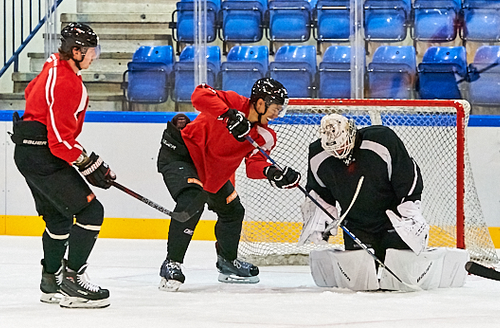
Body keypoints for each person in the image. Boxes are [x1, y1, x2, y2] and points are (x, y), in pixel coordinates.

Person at [156, 78, 301, 291]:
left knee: (233, 211)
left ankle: (227, 261)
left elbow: (254, 166)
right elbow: (199, 95)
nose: (277, 113)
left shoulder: (265, 136)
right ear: (260, 103)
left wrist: (272, 173)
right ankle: (172, 263)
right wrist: (227, 115)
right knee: (191, 200)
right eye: (275, 107)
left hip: (211, 172)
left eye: (280, 109)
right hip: (183, 155)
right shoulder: (234, 102)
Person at [11, 23, 114, 308]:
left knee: (58, 220)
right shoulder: (65, 80)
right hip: (43, 156)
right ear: (77, 51)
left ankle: (50, 281)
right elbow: (59, 142)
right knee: (92, 211)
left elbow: (31, 93)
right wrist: (90, 163)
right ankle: (72, 281)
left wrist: (89, 163)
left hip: (29, 153)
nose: (95, 56)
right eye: (92, 51)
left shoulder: (54, 65)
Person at [300, 114, 437, 290]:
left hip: (393, 220)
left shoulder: (382, 140)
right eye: (334, 150)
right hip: (356, 225)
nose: (339, 153)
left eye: (342, 147)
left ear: (350, 132)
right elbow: (319, 192)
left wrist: (410, 209)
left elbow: (407, 174)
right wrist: (320, 218)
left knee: (400, 281)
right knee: (361, 284)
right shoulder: (318, 154)